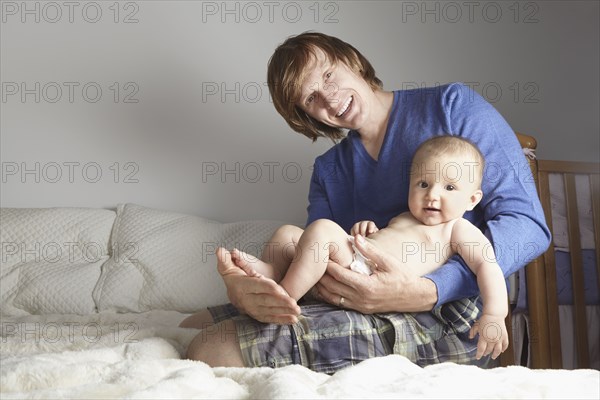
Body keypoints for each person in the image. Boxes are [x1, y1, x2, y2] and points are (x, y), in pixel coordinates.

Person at [180, 32, 550, 373]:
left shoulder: (451, 107)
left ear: (352, 60)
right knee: (193, 324)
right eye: (310, 98)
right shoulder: (328, 170)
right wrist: (247, 295)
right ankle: (273, 289)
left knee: (213, 349)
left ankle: (279, 299)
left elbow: (528, 226)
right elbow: (317, 257)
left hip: (446, 313)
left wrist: (428, 291)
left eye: (327, 75)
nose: (328, 99)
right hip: (353, 296)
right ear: (305, 116)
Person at [230, 135, 509, 360]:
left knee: (322, 229)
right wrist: (366, 229)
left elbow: (487, 264)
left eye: (449, 187)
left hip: (375, 280)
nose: (432, 195)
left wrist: (495, 314)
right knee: (288, 233)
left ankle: (285, 296)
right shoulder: (404, 217)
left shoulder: (457, 229)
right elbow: (386, 240)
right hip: (357, 260)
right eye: (423, 183)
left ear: (472, 199)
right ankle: (271, 272)